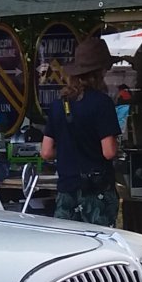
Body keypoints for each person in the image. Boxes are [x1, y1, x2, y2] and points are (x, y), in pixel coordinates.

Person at [40, 35, 122, 227]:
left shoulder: (59, 105)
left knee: (67, 247)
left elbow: (46, 152)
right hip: (96, 193)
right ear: (100, 72)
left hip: (66, 190)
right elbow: (108, 152)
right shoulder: (102, 103)